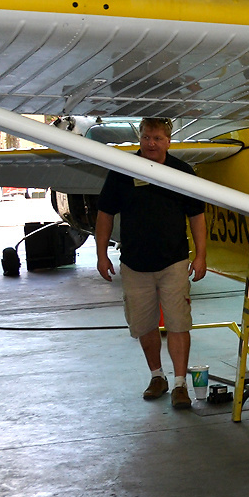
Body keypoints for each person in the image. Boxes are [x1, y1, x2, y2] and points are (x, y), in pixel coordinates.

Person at [95, 117, 208, 409]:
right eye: (146, 137)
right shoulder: (122, 170)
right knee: (144, 324)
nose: (151, 144)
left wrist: (201, 255)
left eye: (157, 138)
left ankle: (181, 384)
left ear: (168, 141)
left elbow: (197, 215)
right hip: (134, 265)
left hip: (173, 263)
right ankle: (157, 376)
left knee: (178, 323)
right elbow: (105, 214)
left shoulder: (183, 172)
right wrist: (101, 254)